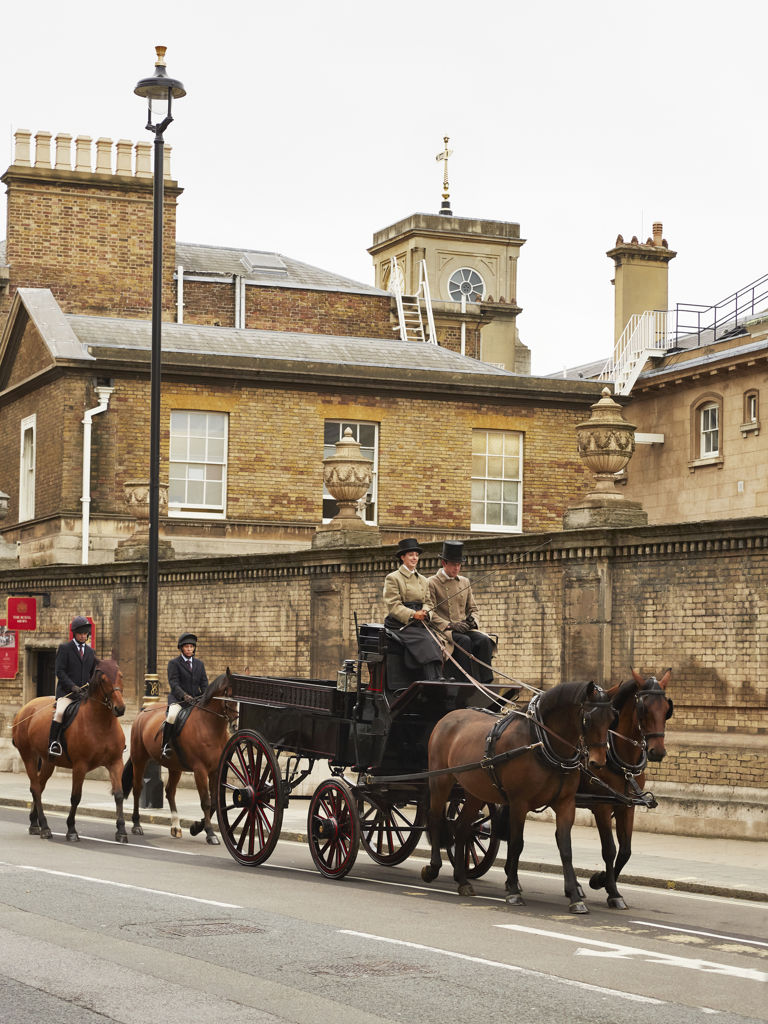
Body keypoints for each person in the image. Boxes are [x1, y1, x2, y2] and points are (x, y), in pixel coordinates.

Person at [428, 540, 495, 685]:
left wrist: (472, 621)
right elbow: (430, 613)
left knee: (484, 640)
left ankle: (487, 682)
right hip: (444, 631)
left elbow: (473, 609)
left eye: (459, 564)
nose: (457, 568)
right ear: (444, 563)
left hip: (463, 628)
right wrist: (450, 625)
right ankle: (466, 682)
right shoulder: (432, 583)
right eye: (453, 564)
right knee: (464, 641)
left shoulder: (465, 582)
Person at [382, 538, 442, 682]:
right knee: (425, 640)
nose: (414, 558)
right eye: (411, 555)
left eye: (416, 554)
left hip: (420, 621)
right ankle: (430, 680)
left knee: (436, 640)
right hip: (400, 623)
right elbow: (393, 605)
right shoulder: (393, 578)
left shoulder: (423, 579)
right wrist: (413, 614)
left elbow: (429, 602)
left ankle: (437, 677)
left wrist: (426, 612)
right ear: (403, 557)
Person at [49, 615, 97, 756]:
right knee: (59, 712)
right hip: (67, 693)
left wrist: (90, 685)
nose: (83, 636)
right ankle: (53, 743)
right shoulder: (65, 648)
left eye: (85, 634)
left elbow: (92, 673)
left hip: (84, 694)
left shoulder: (90, 652)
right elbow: (60, 671)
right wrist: (72, 686)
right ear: (74, 634)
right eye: (80, 634)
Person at [162, 632, 209, 758]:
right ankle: (165, 746)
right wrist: (184, 695)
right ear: (181, 648)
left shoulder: (200, 664)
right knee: (171, 716)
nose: (189, 649)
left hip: (196, 699)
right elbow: (174, 683)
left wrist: (206, 696)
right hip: (179, 700)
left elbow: (204, 683)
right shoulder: (174, 663)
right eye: (186, 646)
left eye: (191, 647)